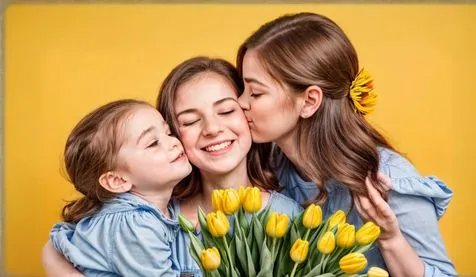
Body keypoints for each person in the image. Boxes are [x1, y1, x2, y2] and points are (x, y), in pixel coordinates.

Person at [236, 12, 457, 276]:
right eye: (243, 89)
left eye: (256, 93)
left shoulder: (385, 179)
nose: (241, 102)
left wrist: (390, 240)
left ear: (309, 101)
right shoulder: (269, 167)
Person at [43, 57, 303, 277]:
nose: (212, 129)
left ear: (247, 113)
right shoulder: (154, 212)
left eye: (225, 111)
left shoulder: (289, 218)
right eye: (189, 121)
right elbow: (62, 243)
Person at [48, 99, 192, 276]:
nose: (174, 142)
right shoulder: (135, 225)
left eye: (168, 132)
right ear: (117, 180)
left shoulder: (153, 211)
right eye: (153, 143)